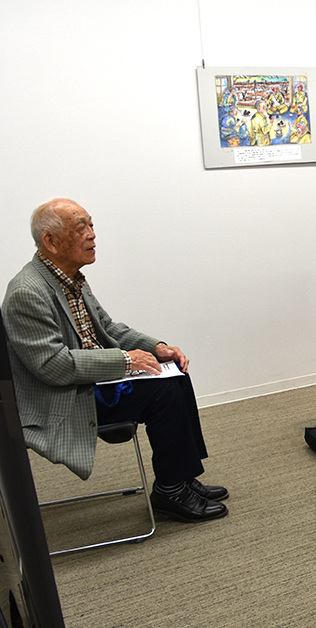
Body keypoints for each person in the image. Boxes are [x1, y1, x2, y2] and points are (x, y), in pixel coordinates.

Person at [3, 199, 228, 523]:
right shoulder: (27, 292)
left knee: (175, 372)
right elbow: (52, 366)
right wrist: (126, 361)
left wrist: (156, 346)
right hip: (62, 399)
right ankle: (169, 491)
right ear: (50, 241)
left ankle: (180, 478)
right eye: (81, 228)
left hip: (93, 379)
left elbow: (107, 328)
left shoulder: (70, 277)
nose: (92, 235)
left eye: (91, 225)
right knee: (162, 393)